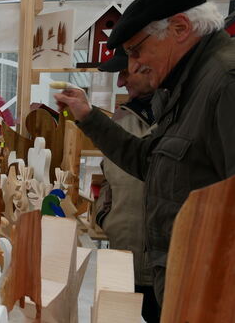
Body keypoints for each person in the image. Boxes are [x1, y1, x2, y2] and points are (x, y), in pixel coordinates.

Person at [54, 0, 235, 304]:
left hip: (206, 296)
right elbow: (149, 162)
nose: (134, 65)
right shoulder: (187, 86)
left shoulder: (225, 82)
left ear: (180, 28)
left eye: (136, 51)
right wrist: (88, 116)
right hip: (182, 284)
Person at [94, 49, 159, 322]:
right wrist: (105, 215)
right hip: (125, 255)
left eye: (124, 72)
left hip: (169, 267)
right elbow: (107, 176)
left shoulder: (183, 115)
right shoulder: (122, 117)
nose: (120, 83)